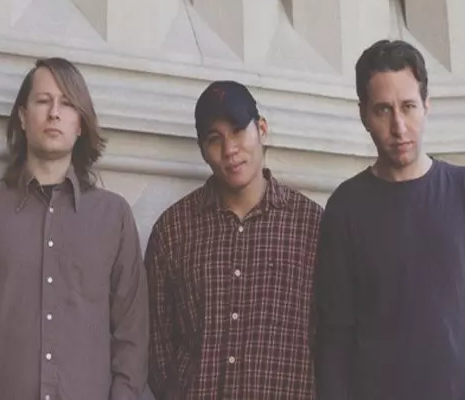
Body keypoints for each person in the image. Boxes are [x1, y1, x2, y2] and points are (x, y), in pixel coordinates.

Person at [0, 58, 149, 400]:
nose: (54, 113)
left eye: (67, 103)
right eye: (43, 100)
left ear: (80, 123)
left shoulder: (114, 216)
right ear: (23, 117)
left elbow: (132, 335)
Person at [145, 80, 323, 400]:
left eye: (238, 131)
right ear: (202, 150)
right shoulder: (173, 230)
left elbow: (331, 339)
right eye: (215, 139)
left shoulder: (312, 227)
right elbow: (156, 344)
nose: (230, 150)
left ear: (262, 129)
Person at [314, 39, 465, 400]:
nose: (399, 126)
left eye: (408, 106)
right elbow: (333, 337)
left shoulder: (460, 190)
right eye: (383, 110)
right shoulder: (346, 207)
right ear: (364, 114)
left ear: (426, 106)